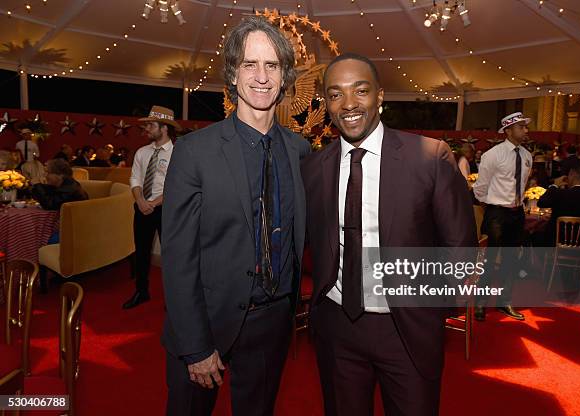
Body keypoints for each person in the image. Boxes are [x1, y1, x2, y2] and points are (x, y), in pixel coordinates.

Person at [301, 53, 475, 416]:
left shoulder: (429, 157)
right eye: (335, 94)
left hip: (406, 329)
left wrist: (428, 312)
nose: (348, 104)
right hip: (337, 327)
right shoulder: (314, 167)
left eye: (360, 91)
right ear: (326, 104)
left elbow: (460, 247)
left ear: (380, 95)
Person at [161, 16, 311, 416]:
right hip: (205, 323)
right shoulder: (194, 152)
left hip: (273, 321)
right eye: (249, 64)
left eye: (272, 66)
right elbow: (177, 259)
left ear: (284, 77)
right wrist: (196, 346)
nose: (261, 77)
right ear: (233, 73)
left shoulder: (299, 151)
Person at [473, 112, 533, 321]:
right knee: (490, 260)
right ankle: (480, 303)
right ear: (508, 130)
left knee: (511, 260)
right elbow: (480, 187)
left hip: (517, 213)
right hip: (497, 213)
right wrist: (490, 206)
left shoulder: (527, 156)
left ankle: (504, 301)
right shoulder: (493, 155)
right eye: (521, 127)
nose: (525, 130)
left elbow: (523, 186)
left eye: (526, 127)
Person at [122, 106, 180, 309]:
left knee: (171, 255)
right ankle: (141, 291)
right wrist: (140, 201)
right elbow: (135, 177)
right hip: (142, 207)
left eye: (151, 125)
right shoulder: (142, 152)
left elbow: (177, 185)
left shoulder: (178, 153)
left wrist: (154, 203)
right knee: (142, 252)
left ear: (164, 127)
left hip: (167, 210)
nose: (146, 128)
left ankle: (173, 298)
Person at [537, 165, 580, 245]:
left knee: (536, 235)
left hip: (556, 242)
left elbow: (541, 202)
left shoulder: (561, 194)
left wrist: (554, 185)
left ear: (572, 176)